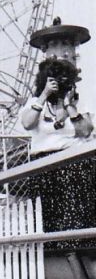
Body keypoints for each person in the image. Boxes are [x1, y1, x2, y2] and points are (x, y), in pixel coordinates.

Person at [21, 57, 95, 251]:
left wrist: (70, 106)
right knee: (47, 214)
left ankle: (80, 255)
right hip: (43, 163)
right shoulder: (35, 103)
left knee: (77, 214)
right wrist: (44, 95)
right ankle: (54, 257)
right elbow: (28, 123)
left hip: (74, 161)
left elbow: (86, 130)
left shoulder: (78, 103)